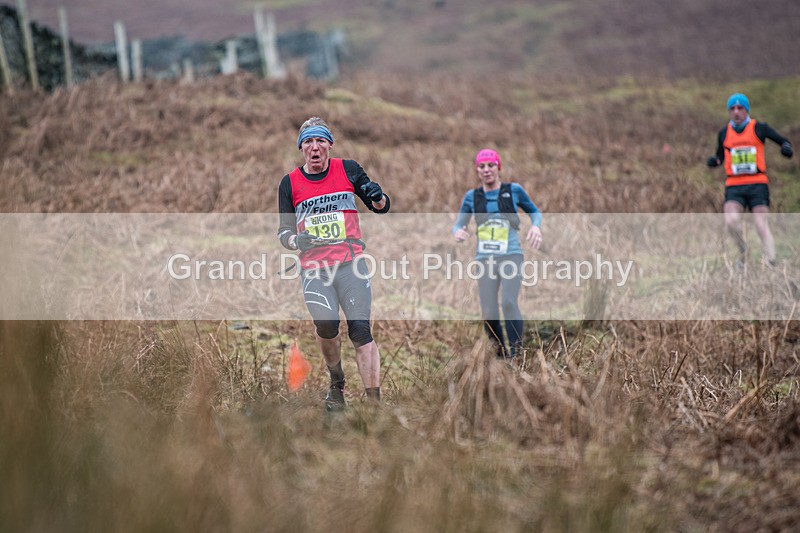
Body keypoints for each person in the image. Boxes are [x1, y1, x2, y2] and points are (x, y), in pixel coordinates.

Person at [277, 117, 390, 410]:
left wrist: (379, 196)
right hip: (315, 269)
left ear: (329, 145)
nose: (314, 148)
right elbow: (284, 233)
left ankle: (374, 405)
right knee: (327, 326)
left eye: (320, 141)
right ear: (301, 148)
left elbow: (380, 207)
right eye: (308, 143)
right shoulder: (289, 183)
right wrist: (296, 242)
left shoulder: (349, 170)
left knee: (360, 331)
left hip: (351, 264)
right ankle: (336, 381)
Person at [453, 149, 542, 360]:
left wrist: (536, 227)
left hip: (511, 255)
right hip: (485, 260)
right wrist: (458, 232)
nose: (486, 170)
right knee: (488, 311)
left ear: (498, 167)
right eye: (482, 166)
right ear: (477, 170)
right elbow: (459, 223)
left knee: (509, 302)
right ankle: (501, 354)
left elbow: (534, 211)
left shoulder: (514, 190)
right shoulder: (472, 197)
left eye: (491, 165)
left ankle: (516, 354)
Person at [707, 93, 793, 268]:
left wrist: (786, 148)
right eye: (732, 109)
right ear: (729, 111)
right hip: (734, 185)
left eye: (740, 108)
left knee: (761, 224)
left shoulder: (759, 128)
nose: (736, 112)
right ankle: (743, 250)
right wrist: (714, 161)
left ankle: (771, 262)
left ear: (746, 110)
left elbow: (784, 142)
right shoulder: (724, 133)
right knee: (730, 221)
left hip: (757, 183)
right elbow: (720, 157)